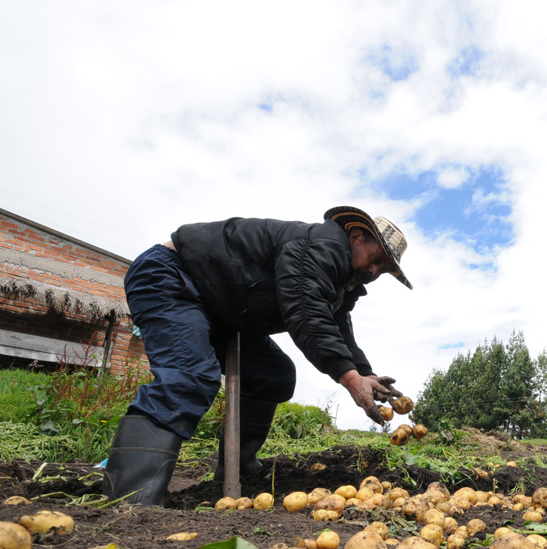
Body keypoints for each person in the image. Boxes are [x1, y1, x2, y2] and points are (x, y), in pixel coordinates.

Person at [102, 206, 412, 505]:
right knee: (189, 376)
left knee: (273, 375)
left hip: (221, 307)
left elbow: (338, 327)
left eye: (384, 269)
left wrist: (364, 372)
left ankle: (240, 471)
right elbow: (306, 313)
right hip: (173, 276)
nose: (375, 270)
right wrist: (349, 379)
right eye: (377, 258)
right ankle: (128, 498)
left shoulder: (342, 281)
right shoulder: (321, 246)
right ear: (356, 236)